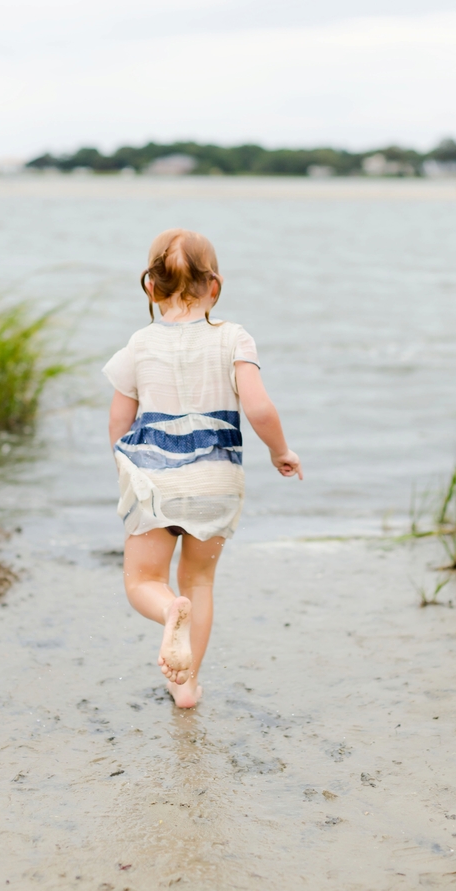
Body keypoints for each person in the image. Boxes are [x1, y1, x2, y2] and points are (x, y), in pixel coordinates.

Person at [103, 229, 302, 708]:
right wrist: (280, 451)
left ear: (151, 287)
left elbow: (118, 418)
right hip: (216, 479)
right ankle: (186, 685)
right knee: (200, 582)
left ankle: (169, 611)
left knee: (143, 581)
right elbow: (258, 407)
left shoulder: (139, 344)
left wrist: (124, 465)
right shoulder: (234, 337)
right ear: (214, 286)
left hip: (153, 480)